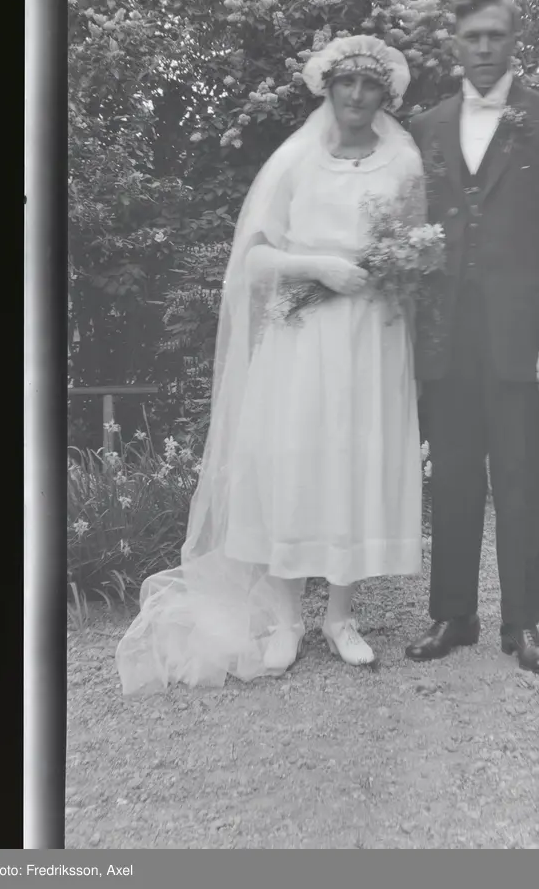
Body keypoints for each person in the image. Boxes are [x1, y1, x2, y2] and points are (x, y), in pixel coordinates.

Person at [116, 36, 425, 693]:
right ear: (327, 87)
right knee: (292, 462)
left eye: (369, 85)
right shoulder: (294, 162)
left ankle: (340, 618)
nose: (356, 95)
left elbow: (413, 248)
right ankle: (286, 620)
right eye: (345, 82)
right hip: (300, 335)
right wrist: (319, 267)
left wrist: (393, 268)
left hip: (371, 337)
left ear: (385, 94)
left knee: (352, 461)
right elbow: (253, 261)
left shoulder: (403, 163)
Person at [406, 0, 539, 674]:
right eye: (473, 37)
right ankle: (453, 614)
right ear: (454, 45)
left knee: (521, 480)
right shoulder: (426, 127)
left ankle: (523, 624)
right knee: (453, 479)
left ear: (515, 40)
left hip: (524, 339)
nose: (485, 48)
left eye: (496, 36)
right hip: (447, 339)